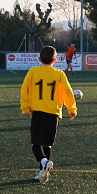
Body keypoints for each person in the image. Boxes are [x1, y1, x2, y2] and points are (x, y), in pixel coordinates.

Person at [20, 46, 77, 184]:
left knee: (36, 145)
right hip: (54, 114)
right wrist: (72, 109)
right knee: (47, 145)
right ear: (55, 60)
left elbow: (25, 89)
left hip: (38, 113)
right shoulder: (59, 74)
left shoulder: (33, 72)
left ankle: (44, 163)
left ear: (39, 59)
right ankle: (43, 172)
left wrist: (25, 108)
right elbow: (68, 92)